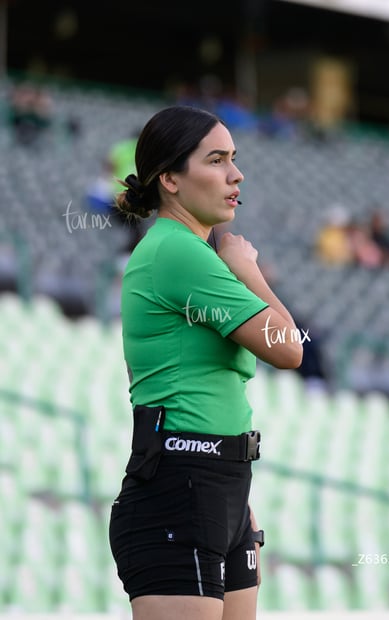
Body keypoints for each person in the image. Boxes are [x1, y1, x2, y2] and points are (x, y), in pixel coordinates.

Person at [108, 105, 302, 620]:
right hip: (182, 488)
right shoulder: (179, 252)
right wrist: (248, 271)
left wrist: (231, 496)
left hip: (220, 485)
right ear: (170, 178)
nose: (236, 174)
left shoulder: (181, 252)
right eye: (216, 160)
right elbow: (289, 347)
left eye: (234, 159)